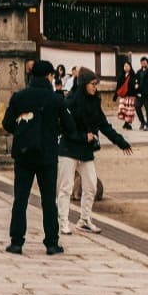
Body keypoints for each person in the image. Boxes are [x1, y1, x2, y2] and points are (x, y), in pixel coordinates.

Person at [2, 60, 74, 255]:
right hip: (47, 154)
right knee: (49, 200)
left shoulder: (19, 97)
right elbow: (69, 126)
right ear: (49, 76)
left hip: (24, 154)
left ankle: (17, 241)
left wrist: (22, 131)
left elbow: (7, 123)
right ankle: (51, 242)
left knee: (21, 199)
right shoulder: (55, 99)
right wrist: (54, 129)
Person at [58, 69, 133, 235]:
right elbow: (64, 127)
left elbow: (104, 125)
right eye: (93, 84)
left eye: (96, 84)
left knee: (91, 185)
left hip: (86, 150)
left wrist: (120, 142)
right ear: (84, 84)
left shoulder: (94, 102)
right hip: (68, 148)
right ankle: (63, 221)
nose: (95, 87)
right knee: (66, 187)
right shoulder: (69, 102)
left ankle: (84, 219)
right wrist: (83, 137)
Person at [116, 60, 138, 130]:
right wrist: (115, 95)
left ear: (130, 67)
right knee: (123, 110)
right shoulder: (122, 75)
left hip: (131, 95)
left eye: (127, 66)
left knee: (129, 110)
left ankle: (128, 123)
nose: (126, 67)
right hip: (124, 96)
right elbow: (118, 86)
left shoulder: (133, 76)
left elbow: (135, 84)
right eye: (125, 66)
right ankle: (126, 123)